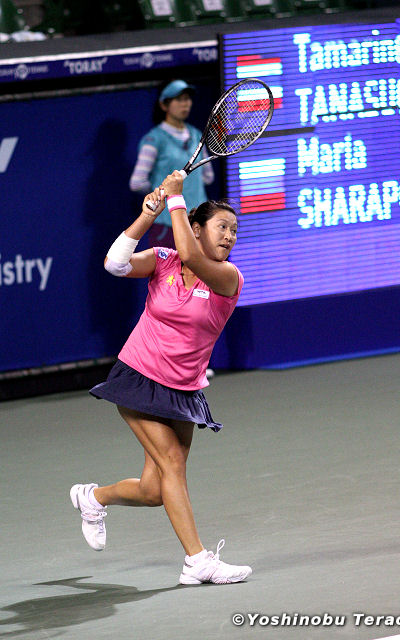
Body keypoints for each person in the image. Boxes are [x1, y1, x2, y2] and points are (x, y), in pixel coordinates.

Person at [70, 171, 252, 585]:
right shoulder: (163, 260)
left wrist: (175, 197)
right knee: (172, 464)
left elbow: (190, 254)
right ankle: (197, 561)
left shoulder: (228, 277)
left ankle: (92, 497)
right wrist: (148, 214)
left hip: (184, 390)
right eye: (222, 227)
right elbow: (115, 264)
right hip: (139, 377)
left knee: (156, 490)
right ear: (196, 228)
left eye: (234, 231)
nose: (229, 236)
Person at [129, 79, 214, 249]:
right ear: (164, 105)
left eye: (187, 98)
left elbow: (208, 177)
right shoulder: (154, 140)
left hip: (199, 223)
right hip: (167, 226)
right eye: (179, 99)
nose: (185, 104)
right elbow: (137, 183)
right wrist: (163, 191)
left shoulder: (197, 135)